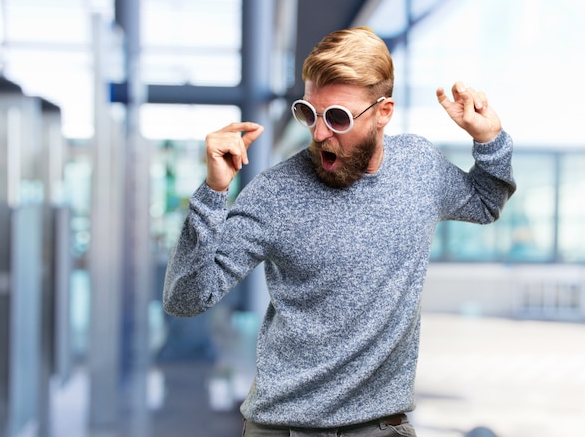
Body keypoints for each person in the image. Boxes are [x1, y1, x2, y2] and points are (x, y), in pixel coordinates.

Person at [163, 26, 515, 436]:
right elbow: (184, 299)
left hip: (381, 427)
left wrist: (489, 139)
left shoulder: (419, 167)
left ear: (383, 112)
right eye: (308, 113)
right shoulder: (275, 192)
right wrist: (213, 193)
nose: (319, 133)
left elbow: (487, 201)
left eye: (337, 117)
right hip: (284, 427)